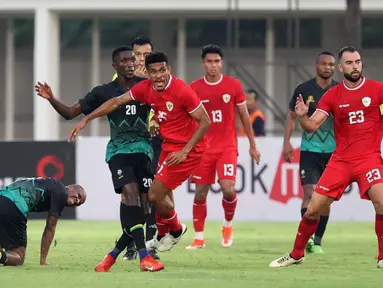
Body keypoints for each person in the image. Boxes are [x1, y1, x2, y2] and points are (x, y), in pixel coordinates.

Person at [68, 51, 211, 270]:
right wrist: (86, 119)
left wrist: (185, 150)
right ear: (148, 73)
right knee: (148, 200)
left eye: (162, 70)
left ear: (168, 70)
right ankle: (165, 232)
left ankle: (169, 231)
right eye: (153, 71)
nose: (158, 76)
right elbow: (116, 102)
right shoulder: (145, 89)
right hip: (165, 148)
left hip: (186, 151)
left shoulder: (182, 90)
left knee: (153, 195)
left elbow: (205, 121)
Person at [35, 45, 161, 272]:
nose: (130, 64)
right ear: (115, 66)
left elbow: (165, 108)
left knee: (144, 207)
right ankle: (144, 256)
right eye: (124, 61)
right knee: (130, 194)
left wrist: (156, 121)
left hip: (144, 150)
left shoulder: (146, 86)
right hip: (119, 151)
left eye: (132, 60)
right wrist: (51, 98)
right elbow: (70, 113)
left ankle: (112, 256)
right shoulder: (103, 92)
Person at [269, 46, 383, 269]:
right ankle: (296, 254)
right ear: (341, 68)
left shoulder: (378, 90)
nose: (355, 66)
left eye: (358, 62)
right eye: (349, 63)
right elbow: (311, 126)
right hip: (340, 160)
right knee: (313, 209)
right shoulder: (333, 95)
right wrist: (302, 116)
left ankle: (382, 257)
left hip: (369, 158)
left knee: (381, 201)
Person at [185, 44, 261, 249]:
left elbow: (245, 115)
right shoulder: (194, 88)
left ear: (222, 63)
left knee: (228, 189)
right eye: (209, 62)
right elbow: (188, 118)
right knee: (201, 192)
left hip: (227, 146)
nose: (213, 65)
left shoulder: (233, 85)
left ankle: (227, 226)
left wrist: (252, 145)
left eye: (217, 61)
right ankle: (199, 237)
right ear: (203, 64)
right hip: (203, 149)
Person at [111, 35, 161, 262]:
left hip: (155, 142)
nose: (141, 60)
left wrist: (156, 118)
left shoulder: (158, 78)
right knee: (127, 195)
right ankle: (131, 244)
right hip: (130, 144)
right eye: (137, 55)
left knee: (152, 194)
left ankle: (150, 243)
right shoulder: (121, 79)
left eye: (146, 55)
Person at [282, 51, 338, 254]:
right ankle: (308, 240)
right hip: (309, 150)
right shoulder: (303, 89)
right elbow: (291, 117)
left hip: (333, 152)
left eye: (332, 65)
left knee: (325, 198)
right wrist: (286, 142)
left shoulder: (339, 90)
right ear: (317, 66)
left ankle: (318, 240)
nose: (328, 68)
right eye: (325, 64)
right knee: (309, 192)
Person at [0, 177, 86, 266]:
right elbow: (50, 228)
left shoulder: (49, 183)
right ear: (70, 187)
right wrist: (43, 261)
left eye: (80, 202)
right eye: (79, 196)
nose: (77, 201)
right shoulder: (62, 192)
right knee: (18, 257)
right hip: (15, 205)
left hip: (2, 195)